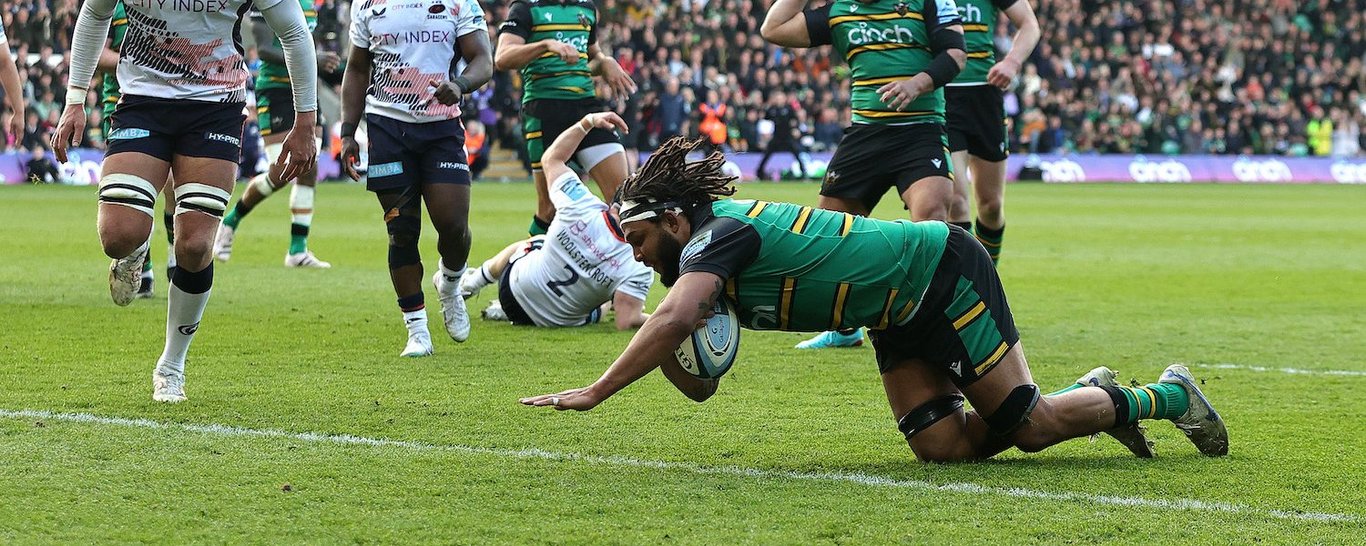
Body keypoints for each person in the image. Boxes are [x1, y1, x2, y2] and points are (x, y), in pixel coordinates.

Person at [520, 137, 1230, 462]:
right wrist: (674, 352)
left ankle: (1165, 396)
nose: (635, 253)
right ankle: (1090, 394)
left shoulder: (718, 238)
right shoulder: (694, 269)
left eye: (639, 236)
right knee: (942, 447)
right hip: (893, 312)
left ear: (676, 217)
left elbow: (675, 315)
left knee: (1032, 427)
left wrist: (597, 389)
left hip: (940, 273)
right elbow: (701, 386)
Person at [54, 0, 319, 402]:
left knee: (194, 246)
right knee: (118, 235)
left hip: (216, 106)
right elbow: (94, 12)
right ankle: (134, 248)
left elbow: (294, 32)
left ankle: (171, 366)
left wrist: (305, 120)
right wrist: (75, 98)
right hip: (144, 100)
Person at [762, 0, 966, 349]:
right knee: (825, 231)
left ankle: (937, 321)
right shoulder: (840, 11)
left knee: (931, 216)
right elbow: (773, 29)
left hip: (920, 131)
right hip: (865, 134)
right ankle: (844, 329)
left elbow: (956, 55)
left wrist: (917, 84)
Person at [338, 0, 493, 357]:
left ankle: (451, 284)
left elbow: (484, 60)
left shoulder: (459, 3)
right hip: (386, 128)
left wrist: (460, 84)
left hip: (441, 128)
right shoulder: (367, 4)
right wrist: (348, 132)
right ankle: (417, 331)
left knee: (453, 227)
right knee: (401, 230)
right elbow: (357, 68)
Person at [459, 112, 652, 330]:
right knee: (605, 301)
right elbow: (626, 321)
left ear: (614, 202)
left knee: (535, 243)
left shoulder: (581, 204)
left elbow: (551, 159)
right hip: (557, 321)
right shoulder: (640, 262)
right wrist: (667, 315)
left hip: (513, 293)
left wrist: (586, 122)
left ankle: (471, 284)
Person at [213, 2, 343, 268]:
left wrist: (322, 61)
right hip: (275, 90)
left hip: (305, 91)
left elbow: (305, 43)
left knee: (309, 166)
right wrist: (313, 58)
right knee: (282, 172)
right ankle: (230, 221)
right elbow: (264, 50)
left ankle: (298, 250)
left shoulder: (309, 5)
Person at [494, 0, 636, 237]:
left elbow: (589, 58)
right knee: (548, 210)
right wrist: (546, 45)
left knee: (625, 201)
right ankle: (526, 268)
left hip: (587, 108)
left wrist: (606, 62)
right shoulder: (526, 8)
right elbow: (502, 57)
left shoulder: (587, 9)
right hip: (544, 110)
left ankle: (622, 270)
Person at [944, 0, 1040, 264]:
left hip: (984, 95)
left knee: (991, 205)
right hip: (941, 95)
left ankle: (988, 281)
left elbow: (1030, 24)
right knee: (956, 201)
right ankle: (964, 289)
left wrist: (1012, 62)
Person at [95, 0, 175, 300]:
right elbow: (97, 52)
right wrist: (136, 62)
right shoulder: (114, 8)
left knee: (174, 186)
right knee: (139, 191)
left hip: (168, 103)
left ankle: (174, 258)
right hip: (122, 105)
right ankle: (143, 265)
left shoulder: (177, 8)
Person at [754, 90, 805, 180]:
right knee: (767, 154)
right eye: (777, 99)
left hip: (787, 136)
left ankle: (803, 172)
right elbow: (765, 119)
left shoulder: (788, 109)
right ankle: (759, 172)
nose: (779, 100)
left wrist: (795, 128)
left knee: (796, 153)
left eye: (781, 98)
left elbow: (795, 120)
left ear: (784, 99)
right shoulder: (772, 109)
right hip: (777, 137)